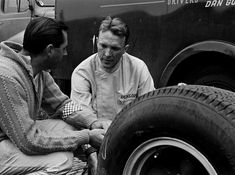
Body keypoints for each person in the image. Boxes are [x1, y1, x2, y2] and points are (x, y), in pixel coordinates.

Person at [0, 17, 108, 175]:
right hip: (7, 142)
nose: (66, 53)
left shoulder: (38, 71)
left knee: (68, 127)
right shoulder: (7, 77)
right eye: (63, 48)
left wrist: (92, 123)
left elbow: (63, 106)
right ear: (50, 50)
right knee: (62, 160)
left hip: (14, 137)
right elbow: (29, 142)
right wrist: (87, 137)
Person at [71, 16, 155, 121]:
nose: (107, 54)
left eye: (115, 48)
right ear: (96, 42)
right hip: (95, 133)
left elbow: (148, 108)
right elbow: (83, 116)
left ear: (125, 49)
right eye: (103, 46)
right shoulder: (82, 73)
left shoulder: (138, 68)